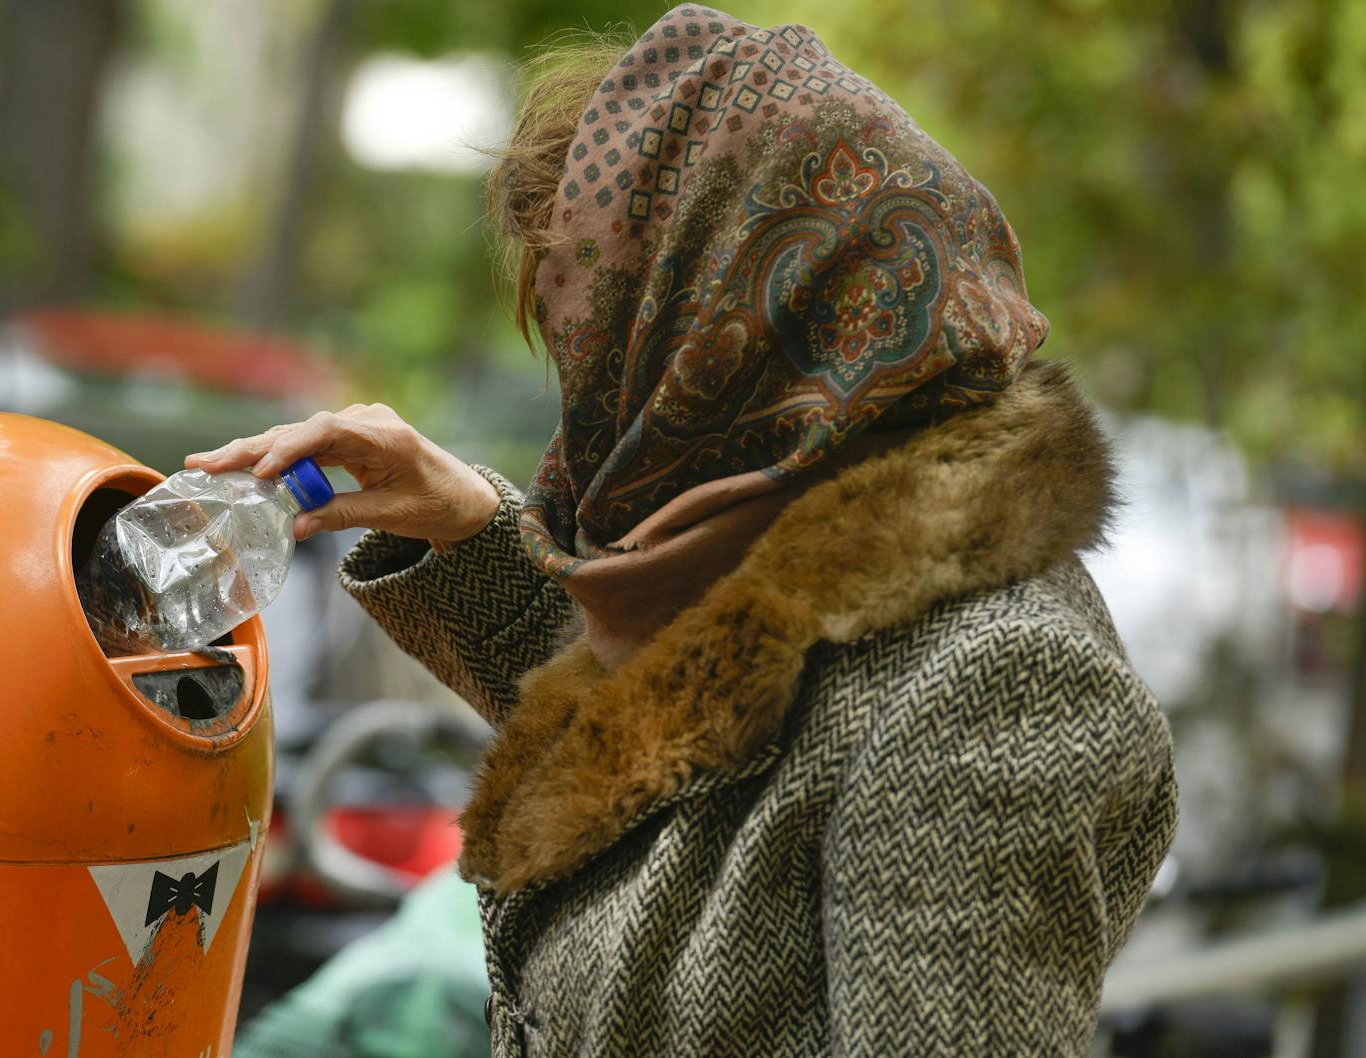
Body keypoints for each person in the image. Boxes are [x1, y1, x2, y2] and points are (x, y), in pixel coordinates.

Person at [193, 6, 1176, 1055]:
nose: (592, 397)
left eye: (602, 339)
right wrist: (468, 526)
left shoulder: (994, 683)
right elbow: (684, 758)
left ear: (717, 325)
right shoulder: (779, 547)